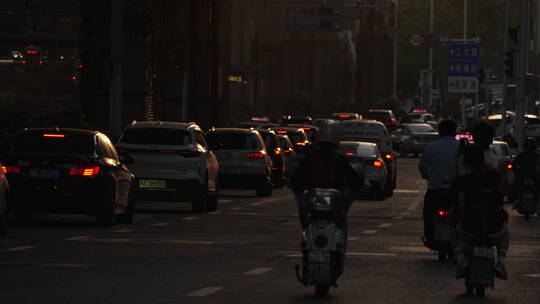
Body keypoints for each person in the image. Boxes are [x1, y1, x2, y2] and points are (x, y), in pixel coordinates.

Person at [452, 120, 510, 280]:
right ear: (491, 139)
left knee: (455, 227)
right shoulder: (499, 163)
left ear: (474, 139)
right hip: (493, 222)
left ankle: (461, 260)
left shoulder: (462, 160)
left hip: (468, 219)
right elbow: (505, 190)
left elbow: (453, 180)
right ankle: (501, 261)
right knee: (504, 232)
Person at [289, 121, 364, 230]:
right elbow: (354, 181)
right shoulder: (338, 159)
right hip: (326, 208)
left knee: (304, 211)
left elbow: (296, 180)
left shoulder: (310, 157)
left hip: (323, 207)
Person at [418, 119, 459, 246]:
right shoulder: (461, 146)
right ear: (454, 131)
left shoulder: (432, 147)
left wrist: (428, 177)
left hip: (435, 190)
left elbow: (422, 166)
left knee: (428, 214)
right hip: (456, 191)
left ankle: (429, 234)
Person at [513, 137, 540, 204]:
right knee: (516, 186)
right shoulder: (535, 156)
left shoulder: (523, 156)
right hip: (526, 177)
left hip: (532, 177)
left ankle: (517, 200)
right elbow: (514, 164)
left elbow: (514, 164)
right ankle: (518, 200)